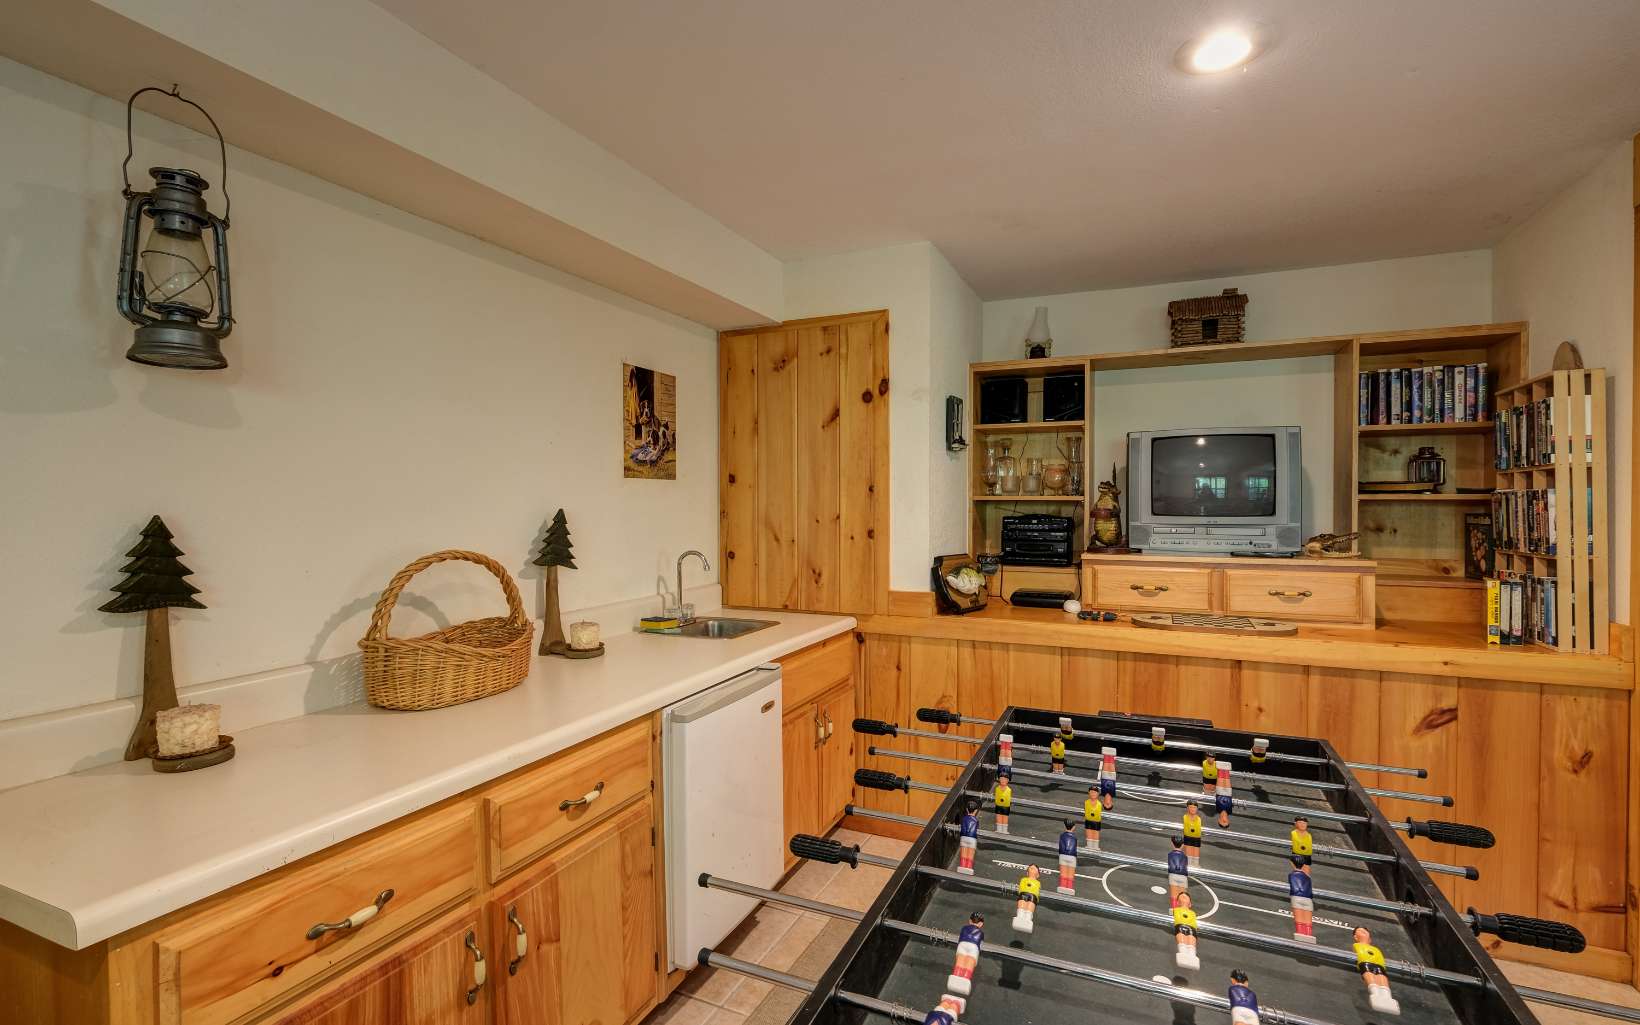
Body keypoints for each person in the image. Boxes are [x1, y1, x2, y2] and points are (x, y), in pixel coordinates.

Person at [1352, 926, 1400, 1015]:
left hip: (1379, 965)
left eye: (1365, 931)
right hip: (1365, 962)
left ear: (1370, 938)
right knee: (1370, 976)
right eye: (1361, 931)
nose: (1364, 932)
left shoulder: (1376, 949)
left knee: (1382, 978)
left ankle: (1387, 997)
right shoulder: (1357, 945)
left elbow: (1379, 957)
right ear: (1355, 937)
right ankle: (1375, 994)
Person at [946, 913, 984, 996]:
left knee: (959, 964)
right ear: (981, 924)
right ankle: (964, 984)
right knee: (968, 966)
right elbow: (981, 944)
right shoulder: (981, 933)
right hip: (973, 947)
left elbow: (960, 938)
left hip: (962, 945)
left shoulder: (964, 928)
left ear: (970, 921)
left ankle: (954, 982)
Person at [1288, 856, 1315, 943]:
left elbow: (1293, 886)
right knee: (1308, 921)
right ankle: (1309, 935)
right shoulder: (1308, 877)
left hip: (1296, 897)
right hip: (1308, 899)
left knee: (1299, 920)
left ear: (1292, 863)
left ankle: (1300, 935)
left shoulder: (1291, 875)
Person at [1171, 890, 1200, 970]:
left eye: (1186, 897)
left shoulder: (1193, 913)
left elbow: (1194, 921)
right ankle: (1182, 953)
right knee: (1182, 940)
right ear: (1177, 902)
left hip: (1191, 927)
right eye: (1181, 896)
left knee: (1191, 941)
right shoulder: (1176, 910)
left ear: (1190, 904)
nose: (1184, 896)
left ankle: (1192, 956)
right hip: (1180, 925)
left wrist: (1196, 927)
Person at [1013, 865, 1042, 933]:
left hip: (1032, 895)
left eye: (1035, 868)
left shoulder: (1038, 882)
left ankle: (1027, 920)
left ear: (1038, 875)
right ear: (1027, 873)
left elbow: (1037, 889)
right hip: (1023, 893)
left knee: (1029, 908)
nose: (1032, 868)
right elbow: (1021, 887)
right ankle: (1019, 918)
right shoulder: (1023, 879)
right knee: (1021, 907)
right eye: (1031, 868)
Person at [957, 799, 981, 875]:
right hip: (972, 838)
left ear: (967, 809)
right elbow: (976, 829)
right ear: (976, 811)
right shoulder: (976, 820)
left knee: (963, 853)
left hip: (963, 837)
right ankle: (968, 868)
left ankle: (962, 866)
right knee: (970, 854)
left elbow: (962, 827)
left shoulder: (964, 818)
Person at [1057, 819, 1078, 894]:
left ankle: (1062, 887)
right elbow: (1074, 848)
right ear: (1073, 827)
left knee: (1063, 875)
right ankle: (1069, 888)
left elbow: (1060, 846)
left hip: (1062, 856)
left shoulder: (1062, 836)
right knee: (1070, 876)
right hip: (1072, 857)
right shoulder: (1074, 837)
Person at [1166, 836, 1190, 904]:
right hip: (1183, 877)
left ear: (1172, 843)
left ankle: (1174, 909)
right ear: (1182, 845)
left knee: (1174, 896)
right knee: (1183, 896)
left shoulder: (1170, 854)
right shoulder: (1185, 856)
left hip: (1173, 875)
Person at [1181, 800, 1204, 866]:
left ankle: (1196, 865)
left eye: (1194, 807)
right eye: (1191, 807)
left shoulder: (1199, 819)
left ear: (1197, 809)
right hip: (1187, 836)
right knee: (1188, 851)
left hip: (1197, 837)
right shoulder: (1185, 817)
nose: (1192, 809)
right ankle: (1189, 865)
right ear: (1187, 808)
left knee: (1196, 852)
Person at [1214, 760, 1234, 827]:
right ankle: (1226, 765)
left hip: (1219, 793)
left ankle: (1220, 764)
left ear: (1219, 820)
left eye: (1222, 821)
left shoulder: (1217, 809)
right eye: (1226, 822)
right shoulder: (1230, 811)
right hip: (1228, 794)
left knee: (1220, 776)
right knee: (1226, 777)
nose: (1224, 820)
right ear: (1228, 821)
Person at [1083, 784, 1103, 850]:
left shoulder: (1099, 804)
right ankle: (1089, 845)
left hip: (1096, 821)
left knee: (1095, 833)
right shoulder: (1086, 802)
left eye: (1094, 792)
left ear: (1098, 794)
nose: (1093, 794)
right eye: (1091, 792)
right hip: (1088, 820)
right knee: (1089, 832)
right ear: (1088, 793)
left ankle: (1095, 846)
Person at [993, 770, 1013, 835]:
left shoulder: (1009, 790)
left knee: (1005, 817)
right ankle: (999, 829)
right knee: (998, 817)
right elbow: (996, 797)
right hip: (998, 805)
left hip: (1005, 806)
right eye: (1001, 779)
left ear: (1007, 780)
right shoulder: (997, 788)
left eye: (1005, 779)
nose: (1003, 780)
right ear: (999, 779)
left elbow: (1008, 799)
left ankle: (1004, 830)